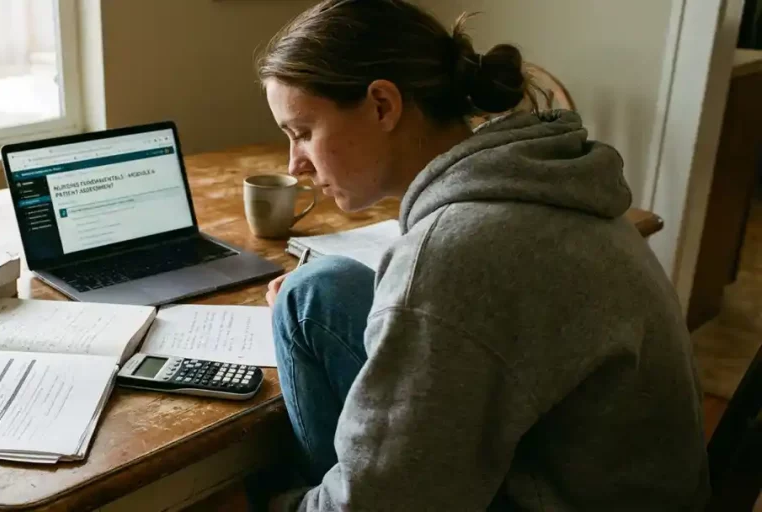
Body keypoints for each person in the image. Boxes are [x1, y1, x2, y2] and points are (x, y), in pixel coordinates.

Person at [254, 0, 711, 510]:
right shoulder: (543, 179)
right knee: (312, 290)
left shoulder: (453, 251)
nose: (295, 165)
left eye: (302, 132)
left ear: (383, 105)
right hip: (618, 483)